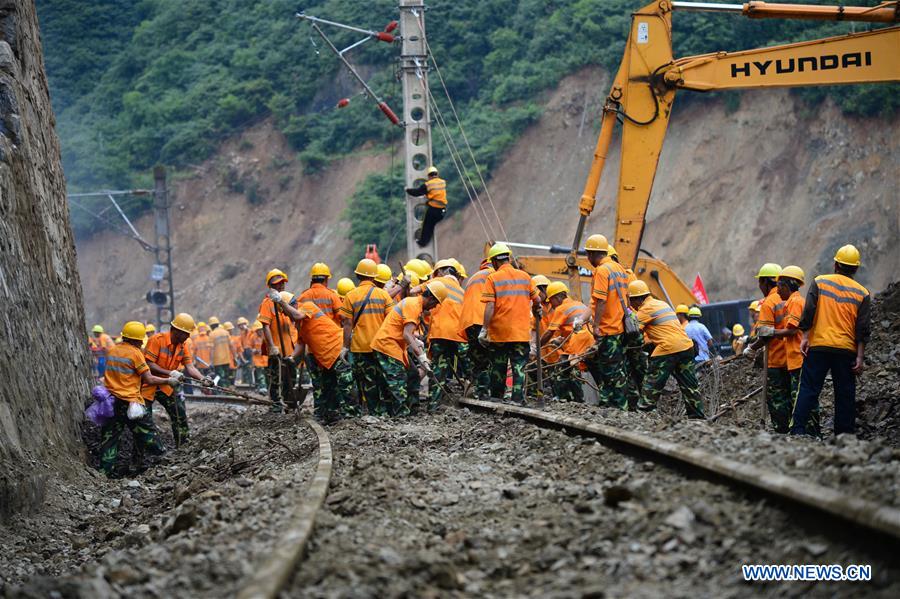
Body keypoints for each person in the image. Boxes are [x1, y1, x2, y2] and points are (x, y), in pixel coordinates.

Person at [791, 245, 870, 437]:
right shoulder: (862, 293)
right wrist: (860, 357)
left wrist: (805, 337)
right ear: (855, 268)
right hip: (846, 350)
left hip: (818, 346)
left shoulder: (820, 282)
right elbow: (863, 328)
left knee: (809, 388)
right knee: (845, 394)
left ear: (836, 264)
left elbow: (809, 311)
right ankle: (844, 436)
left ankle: (798, 430)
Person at [97, 321, 179, 476]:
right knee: (147, 431)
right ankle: (166, 459)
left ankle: (104, 472)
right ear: (136, 340)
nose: (142, 343)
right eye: (141, 340)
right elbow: (149, 379)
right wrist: (168, 380)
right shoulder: (136, 354)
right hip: (129, 402)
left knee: (110, 437)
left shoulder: (112, 350)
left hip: (111, 401)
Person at [275, 294, 355, 423]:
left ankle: (353, 416)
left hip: (337, 349)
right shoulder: (299, 324)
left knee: (346, 385)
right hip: (326, 358)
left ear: (292, 305)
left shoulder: (307, 306)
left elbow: (297, 315)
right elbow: (301, 343)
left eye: (285, 312)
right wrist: (291, 357)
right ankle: (332, 415)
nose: (286, 316)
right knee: (329, 387)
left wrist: (280, 302)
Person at [628, 281, 704, 418]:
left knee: (652, 383)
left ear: (637, 299)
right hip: (686, 346)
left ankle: (644, 413)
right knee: (690, 386)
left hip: (668, 348)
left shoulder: (645, 309)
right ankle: (697, 417)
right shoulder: (663, 304)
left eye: (630, 300)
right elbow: (663, 329)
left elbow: (632, 332)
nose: (630, 304)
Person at [371, 281, 448, 416]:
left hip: (396, 346)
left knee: (413, 374)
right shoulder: (413, 305)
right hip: (387, 345)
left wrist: (416, 342)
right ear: (431, 298)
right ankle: (400, 414)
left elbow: (407, 332)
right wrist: (421, 356)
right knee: (398, 379)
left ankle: (412, 409)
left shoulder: (415, 305)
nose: (434, 307)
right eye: (435, 303)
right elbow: (406, 334)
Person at [479, 243, 542, 405]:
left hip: (499, 332)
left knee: (498, 365)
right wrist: (537, 308)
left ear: (494, 261)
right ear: (508, 258)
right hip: (520, 332)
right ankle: (517, 398)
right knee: (519, 365)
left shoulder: (492, 278)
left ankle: (496, 397)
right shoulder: (525, 277)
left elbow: (490, 305)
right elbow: (537, 299)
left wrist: (484, 329)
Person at [142, 313, 210, 447]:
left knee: (179, 414)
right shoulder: (156, 340)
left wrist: (203, 379)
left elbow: (190, 367)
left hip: (167, 386)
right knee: (144, 420)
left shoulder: (183, 346)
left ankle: (183, 446)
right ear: (176, 331)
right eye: (186, 333)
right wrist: (170, 373)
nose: (188, 336)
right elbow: (148, 364)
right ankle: (141, 455)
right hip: (149, 384)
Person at [341, 259, 396, 415]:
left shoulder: (350, 296)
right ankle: (387, 412)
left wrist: (345, 346)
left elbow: (347, 324)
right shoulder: (383, 295)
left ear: (358, 275)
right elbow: (391, 320)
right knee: (383, 378)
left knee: (368, 382)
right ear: (374, 276)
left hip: (360, 347)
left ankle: (374, 412)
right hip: (380, 346)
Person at [584, 234, 631, 409]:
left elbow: (601, 301)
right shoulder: (619, 268)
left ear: (592, 253)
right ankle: (611, 404)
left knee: (611, 371)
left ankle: (620, 407)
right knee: (615, 368)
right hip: (620, 327)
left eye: (587, 254)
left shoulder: (602, 271)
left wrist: (596, 326)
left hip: (608, 328)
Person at [747, 263, 792, 433]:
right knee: (792, 397)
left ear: (765, 282)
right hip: (793, 358)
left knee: (777, 399)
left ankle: (782, 433)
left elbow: (765, 334)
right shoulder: (791, 297)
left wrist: (751, 348)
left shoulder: (769, 303)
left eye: (760, 282)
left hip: (776, 360)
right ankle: (796, 431)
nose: (759, 286)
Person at [772, 266, 815, 435]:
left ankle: (808, 433)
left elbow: (792, 330)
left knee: (801, 398)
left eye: (778, 286)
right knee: (801, 397)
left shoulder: (795, 302)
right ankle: (808, 432)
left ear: (786, 286)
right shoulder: (793, 301)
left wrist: (771, 332)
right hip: (796, 359)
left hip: (799, 358)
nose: (777, 291)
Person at [540, 282, 594, 403]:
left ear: (557, 297)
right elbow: (572, 327)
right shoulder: (579, 304)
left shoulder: (561, 309)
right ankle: (580, 400)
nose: (551, 304)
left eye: (551, 300)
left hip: (578, 342)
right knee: (592, 368)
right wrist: (561, 341)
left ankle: (567, 399)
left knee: (562, 369)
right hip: (590, 341)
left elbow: (549, 332)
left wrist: (537, 347)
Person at [427, 259, 466, 410]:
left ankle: (433, 405)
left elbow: (416, 292)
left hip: (439, 333)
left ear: (438, 272)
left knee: (439, 368)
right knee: (469, 366)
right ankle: (477, 393)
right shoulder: (461, 291)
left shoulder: (436, 283)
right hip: (458, 335)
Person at [258, 269, 297, 413]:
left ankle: (289, 405)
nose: (281, 286)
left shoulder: (285, 300)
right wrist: (272, 346)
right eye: (277, 284)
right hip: (277, 349)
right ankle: (275, 407)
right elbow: (265, 326)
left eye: (282, 283)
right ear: (270, 286)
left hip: (289, 349)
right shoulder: (267, 303)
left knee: (290, 378)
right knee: (276, 379)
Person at [458, 259, 494, 400]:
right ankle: (485, 392)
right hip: (482, 318)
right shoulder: (494, 274)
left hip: (469, 322)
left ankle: (479, 391)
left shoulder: (474, 277)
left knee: (477, 358)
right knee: (488, 358)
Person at [406, 166, 446, 247]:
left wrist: (407, 190)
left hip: (433, 210)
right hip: (442, 211)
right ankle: (426, 241)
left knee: (426, 226)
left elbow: (417, 192)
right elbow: (437, 193)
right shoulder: (442, 182)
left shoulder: (428, 185)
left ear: (429, 176)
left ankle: (423, 243)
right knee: (431, 225)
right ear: (437, 174)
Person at [208, 316, 234, 385]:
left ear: (211, 326)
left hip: (217, 361)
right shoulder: (226, 332)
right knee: (226, 377)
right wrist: (234, 357)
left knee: (220, 377)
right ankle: (227, 390)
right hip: (227, 359)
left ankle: (222, 390)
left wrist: (211, 362)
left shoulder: (212, 334)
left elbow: (211, 349)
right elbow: (231, 346)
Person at [249, 320, 269, 393]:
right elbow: (250, 348)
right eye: (257, 330)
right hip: (257, 360)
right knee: (260, 375)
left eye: (260, 330)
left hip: (266, 359)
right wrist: (254, 350)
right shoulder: (253, 337)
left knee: (267, 374)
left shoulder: (267, 335)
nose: (259, 332)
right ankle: (263, 388)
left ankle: (268, 388)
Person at [236, 317, 254, 384]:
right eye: (240, 325)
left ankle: (250, 382)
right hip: (244, 351)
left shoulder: (249, 331)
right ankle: (246, 382)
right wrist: (242, 357)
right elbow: (239, 346)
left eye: (243, 324)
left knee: (250, 367)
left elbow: (251, 332)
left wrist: (246, 328)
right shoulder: (241, 333)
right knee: (245, 367)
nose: (241, 326)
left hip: (249, 350)